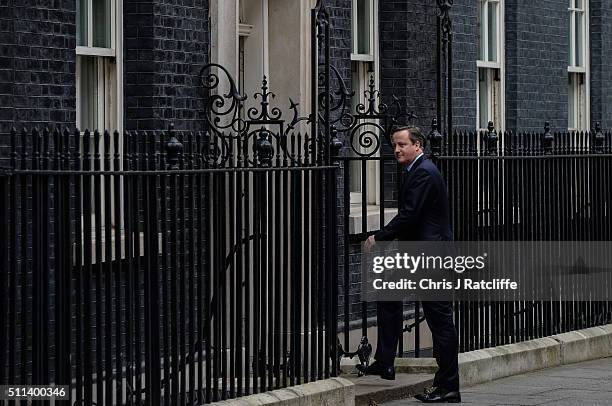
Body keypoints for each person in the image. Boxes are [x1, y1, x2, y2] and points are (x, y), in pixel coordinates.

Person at [358, 126, 460, 403]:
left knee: (440, 322)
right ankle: (386, 361)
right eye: (394, 145)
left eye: (402, 144)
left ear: (418, 145)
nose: (397, 150)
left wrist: (379, 237)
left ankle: (449, 385)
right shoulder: (417, 170)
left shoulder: (424, 172)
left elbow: (410, 215)